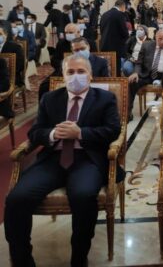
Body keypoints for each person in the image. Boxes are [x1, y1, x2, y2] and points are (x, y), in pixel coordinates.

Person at [4, 54, 122, 267]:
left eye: (81, 72)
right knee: (16, 199)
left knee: (84, 196)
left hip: (87, 159)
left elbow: (112, 130)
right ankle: (22, 260)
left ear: (90, 75)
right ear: (63, 75)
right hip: (53, 159)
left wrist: (81, 133)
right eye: (70, 72)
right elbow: (35, 132)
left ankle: (79, 257)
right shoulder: (50, 99)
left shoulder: (105, 99)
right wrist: (52, 134)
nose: (76, 76)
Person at [128, 30, 163, 117]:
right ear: (155, 38)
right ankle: (128, 112)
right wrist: (136, 72)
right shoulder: (146, 45)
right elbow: (139, 62)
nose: (162, 41)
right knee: (132, 82)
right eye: (160, 39)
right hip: (148, 74)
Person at [100, 0, 130, 76]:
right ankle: (116, 82)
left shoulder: (104, 14)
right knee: (116, 69)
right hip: (115, 47)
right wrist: (127, 35)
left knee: (107, 68)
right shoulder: (120, 14)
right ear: (123, 6)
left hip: (104, 45)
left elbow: (101, 30)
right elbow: (124, 31)